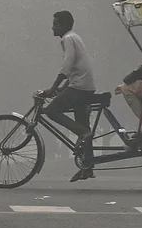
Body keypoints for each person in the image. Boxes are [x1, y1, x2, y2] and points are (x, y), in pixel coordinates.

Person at [37, 10, 99, 182]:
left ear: (64, 25)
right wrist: (62, 88)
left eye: (55, 24)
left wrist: (53, 88)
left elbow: (68, 64)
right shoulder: (74, 37)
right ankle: (87, 166)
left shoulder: (68, 38)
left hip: (80, 86)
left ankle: (83, 133)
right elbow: (75, 69)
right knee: (82, 122)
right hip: (84, 86)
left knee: (51, 111)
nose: (52, 28)